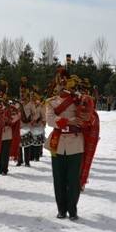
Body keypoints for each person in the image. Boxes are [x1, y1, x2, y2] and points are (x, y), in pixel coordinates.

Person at [45, 71, 88, 221]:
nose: (62, 86)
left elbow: (86, 117)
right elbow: (50, 120)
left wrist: (81, 103)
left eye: (65, 82)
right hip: (57, 143)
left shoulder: (78, 100)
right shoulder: (51, 102)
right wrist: (68, 121)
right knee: (59, 178)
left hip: (75, 143)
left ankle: (72, 209)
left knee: (73, 179)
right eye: (60, 83)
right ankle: (61, 209)